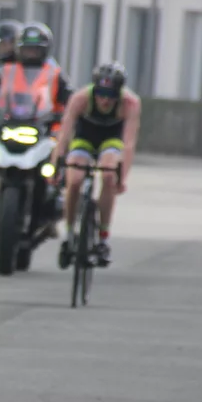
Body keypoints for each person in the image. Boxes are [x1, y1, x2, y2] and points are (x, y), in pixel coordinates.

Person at [0, 22, 71, 234]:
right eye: (27, 49)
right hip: (9, 124)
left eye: (36, 50)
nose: (31, 54)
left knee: (57, 160)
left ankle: (51, 206)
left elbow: (70, 100)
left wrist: (66, 114)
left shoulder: (54, 73)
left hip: (43, 130)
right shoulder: (6, 71)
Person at [51, 61, 140, 267]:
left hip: (112, 140)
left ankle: (103, 238)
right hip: (84, 138)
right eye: (101, 94)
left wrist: (121, 179)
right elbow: (64, 135)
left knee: (108, 175)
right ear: (94, 89)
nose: (105, 100)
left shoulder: (130, 103)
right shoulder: (80, 98)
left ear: (119, 93)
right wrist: (55, 167)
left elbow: (128, 144)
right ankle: (69, 234)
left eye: (111, 95)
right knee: (74, 180)